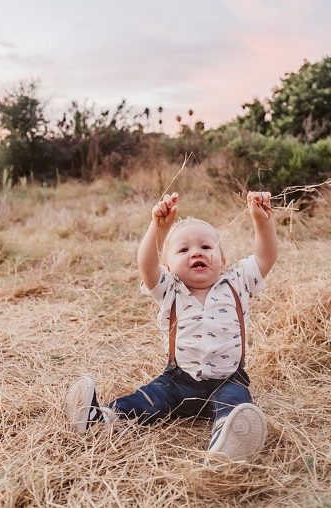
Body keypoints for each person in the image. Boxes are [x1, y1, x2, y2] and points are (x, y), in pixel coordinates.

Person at [65, 191, 278, 461]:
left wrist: (261, 221)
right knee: (147, 399)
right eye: (183, 249)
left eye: (206, 247)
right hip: (178, 382)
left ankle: (227, 438)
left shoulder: (237, 281)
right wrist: (158, 229)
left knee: (237, 401)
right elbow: (146, 264)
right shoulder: (170, 289)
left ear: (223, 261)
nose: (196, 253)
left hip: (226, 380)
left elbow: (266, 256)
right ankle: (100, 418)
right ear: (168, 266)